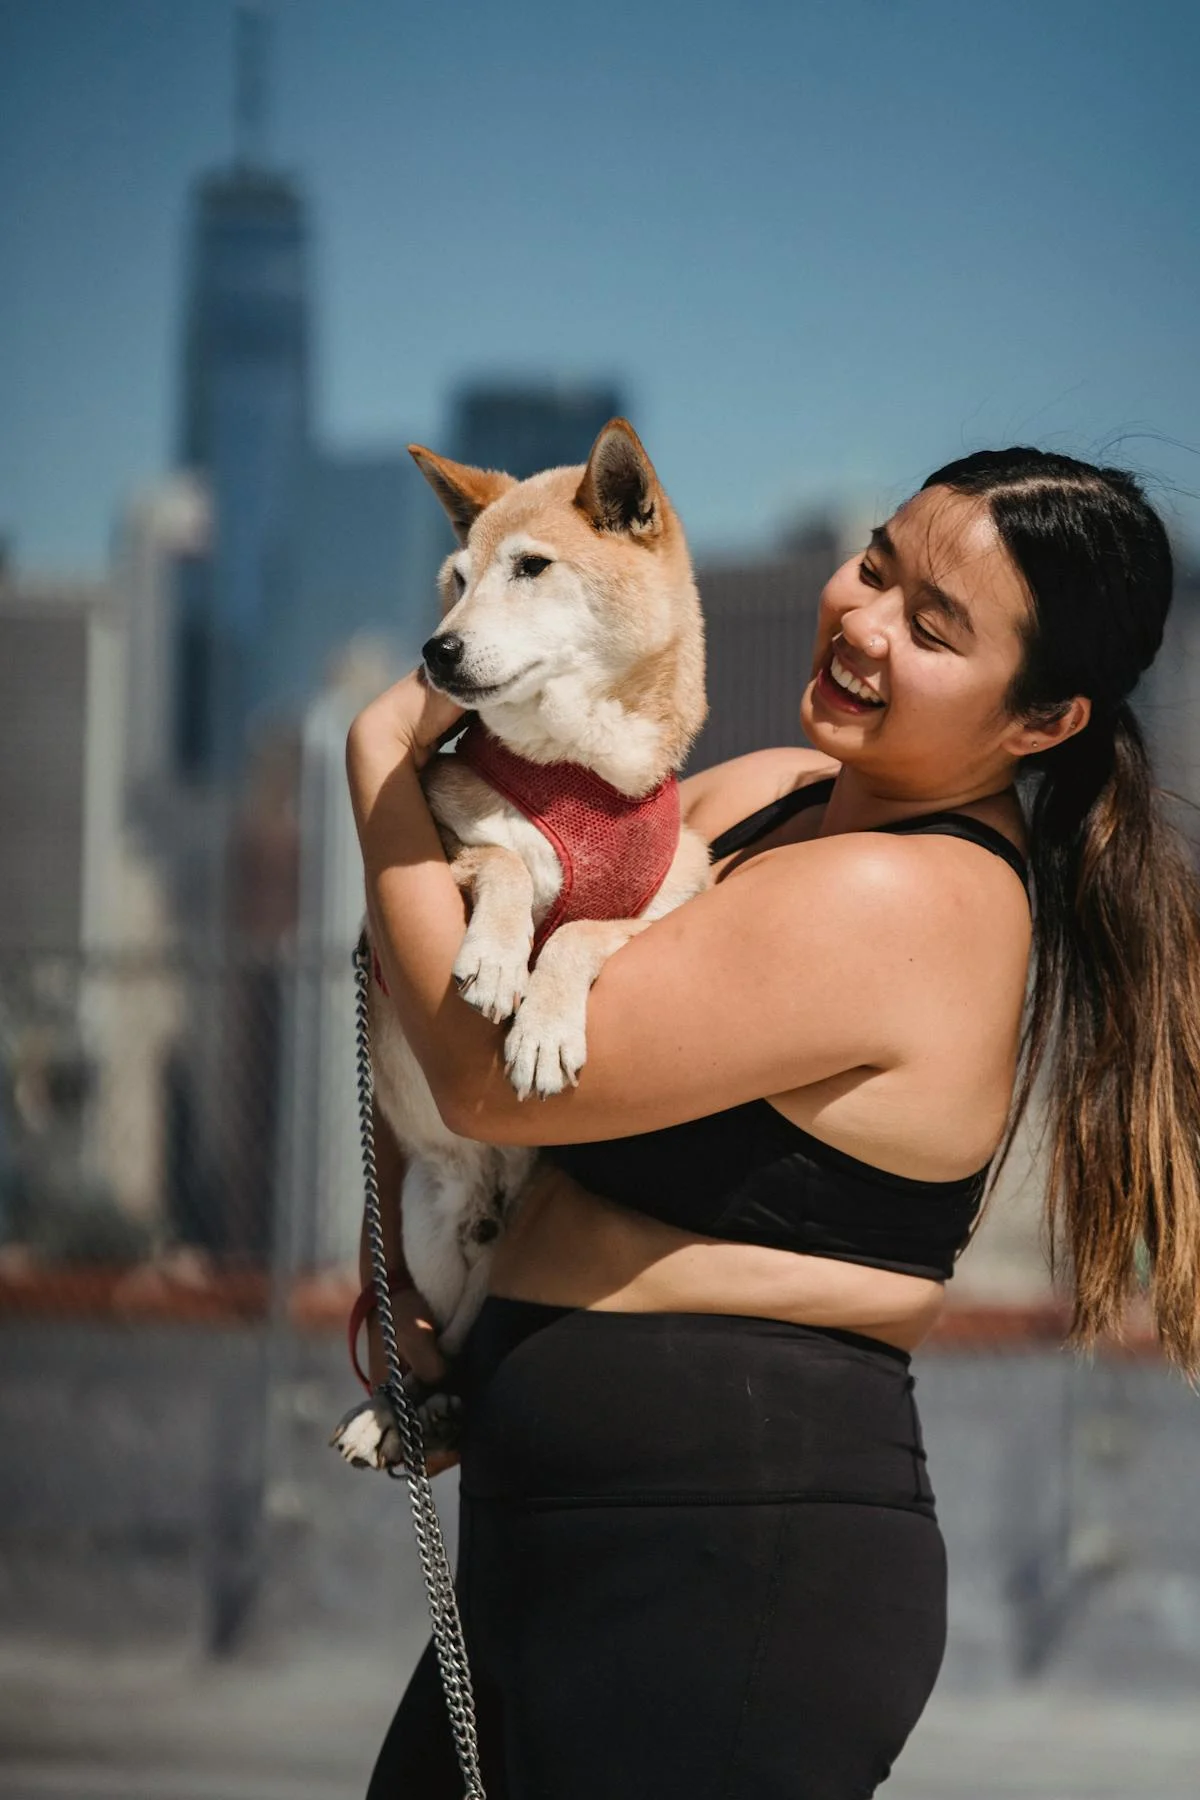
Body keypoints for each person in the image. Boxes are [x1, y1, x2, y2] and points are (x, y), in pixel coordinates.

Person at [346, 448, 1200, 1800]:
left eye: (931, 628)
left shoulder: (904, 897)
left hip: (725, 1574)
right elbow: (439, 979)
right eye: (876, 562)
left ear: (1039, 723)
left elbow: (492, 1083)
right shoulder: (757, 794)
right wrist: (397, 1263)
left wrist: (377, 763)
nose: (863, 621)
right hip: (548, 1538)